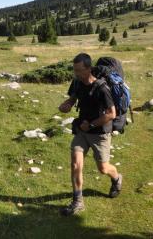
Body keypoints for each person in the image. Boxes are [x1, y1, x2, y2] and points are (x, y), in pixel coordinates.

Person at [58, 53, 122, 216]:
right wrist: (66, 105)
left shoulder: (101, 88)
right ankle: (78, 202)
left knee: (103, 168)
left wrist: (92, 124)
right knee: (75, 165)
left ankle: (116, 178)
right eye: (74, 70)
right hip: (82, 131)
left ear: (88, 68)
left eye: (79, 70)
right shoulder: (78, 83)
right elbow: (73, 98)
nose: (76, 74)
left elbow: (111, 114)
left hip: (99, 133)